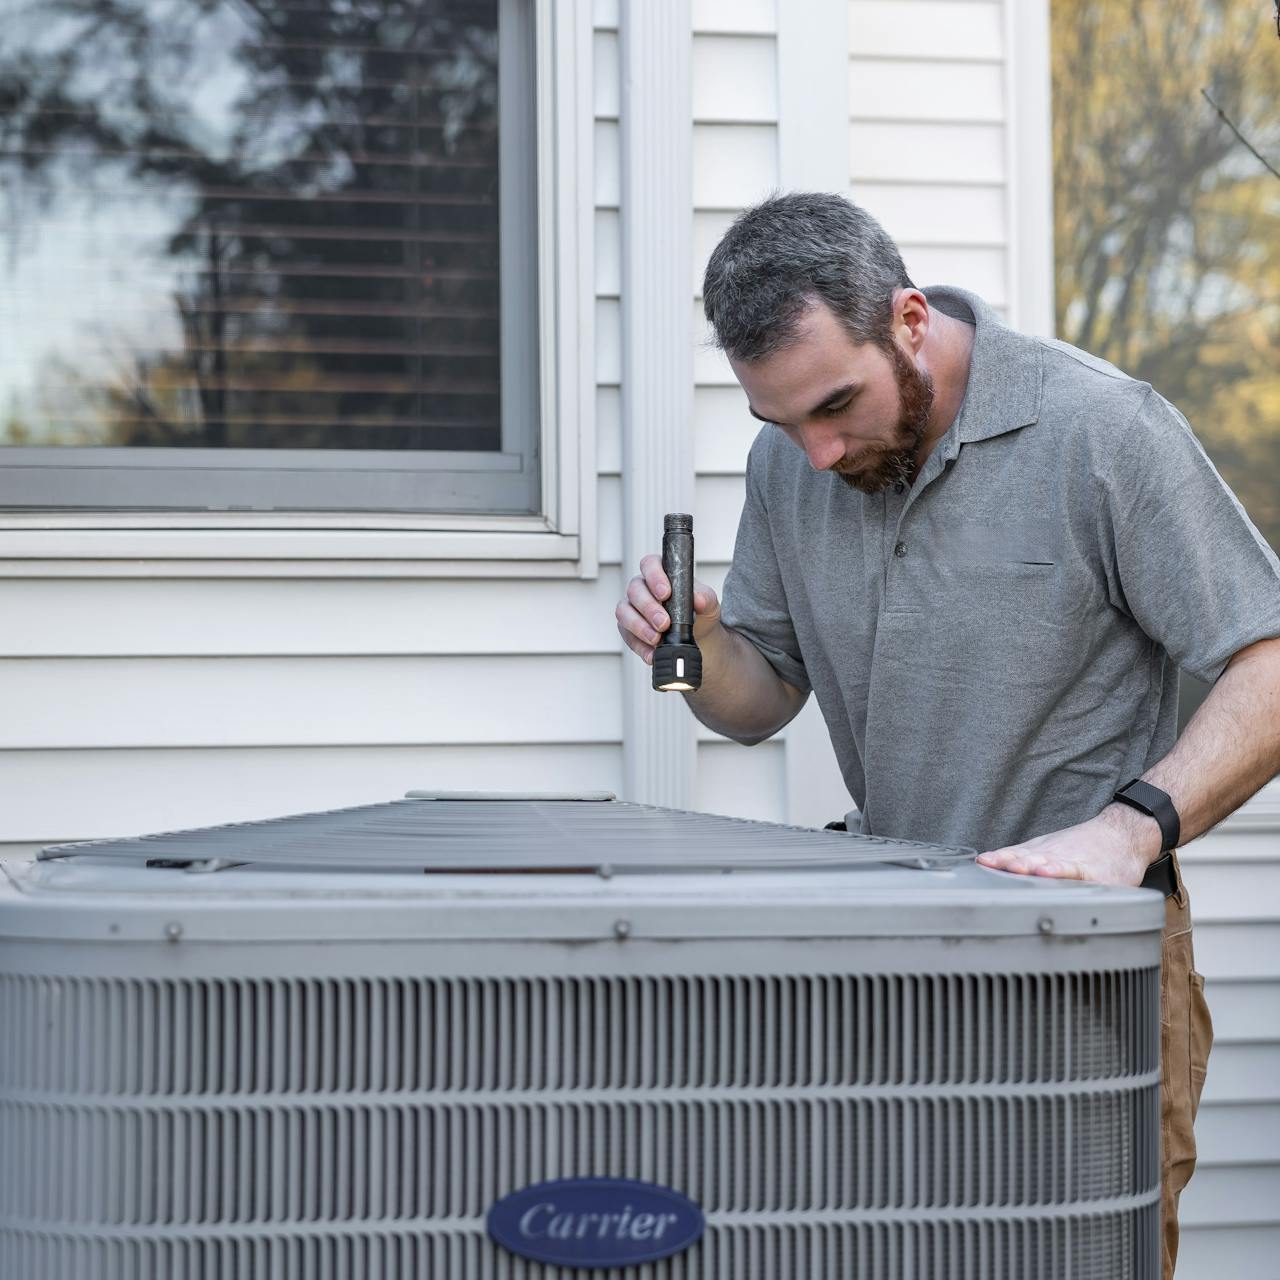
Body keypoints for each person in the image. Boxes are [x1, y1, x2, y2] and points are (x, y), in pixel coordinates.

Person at [614, 192, 1280, 1278]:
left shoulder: (1100, 429)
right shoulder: (791, 464)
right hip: (892, 963)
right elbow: (760, 695)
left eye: (834, 405)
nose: (817, 453)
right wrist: (697, 646)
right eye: (781, 423)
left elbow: (1267, 653)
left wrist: (1132, 828)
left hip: (1083, 969)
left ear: (909, 319)